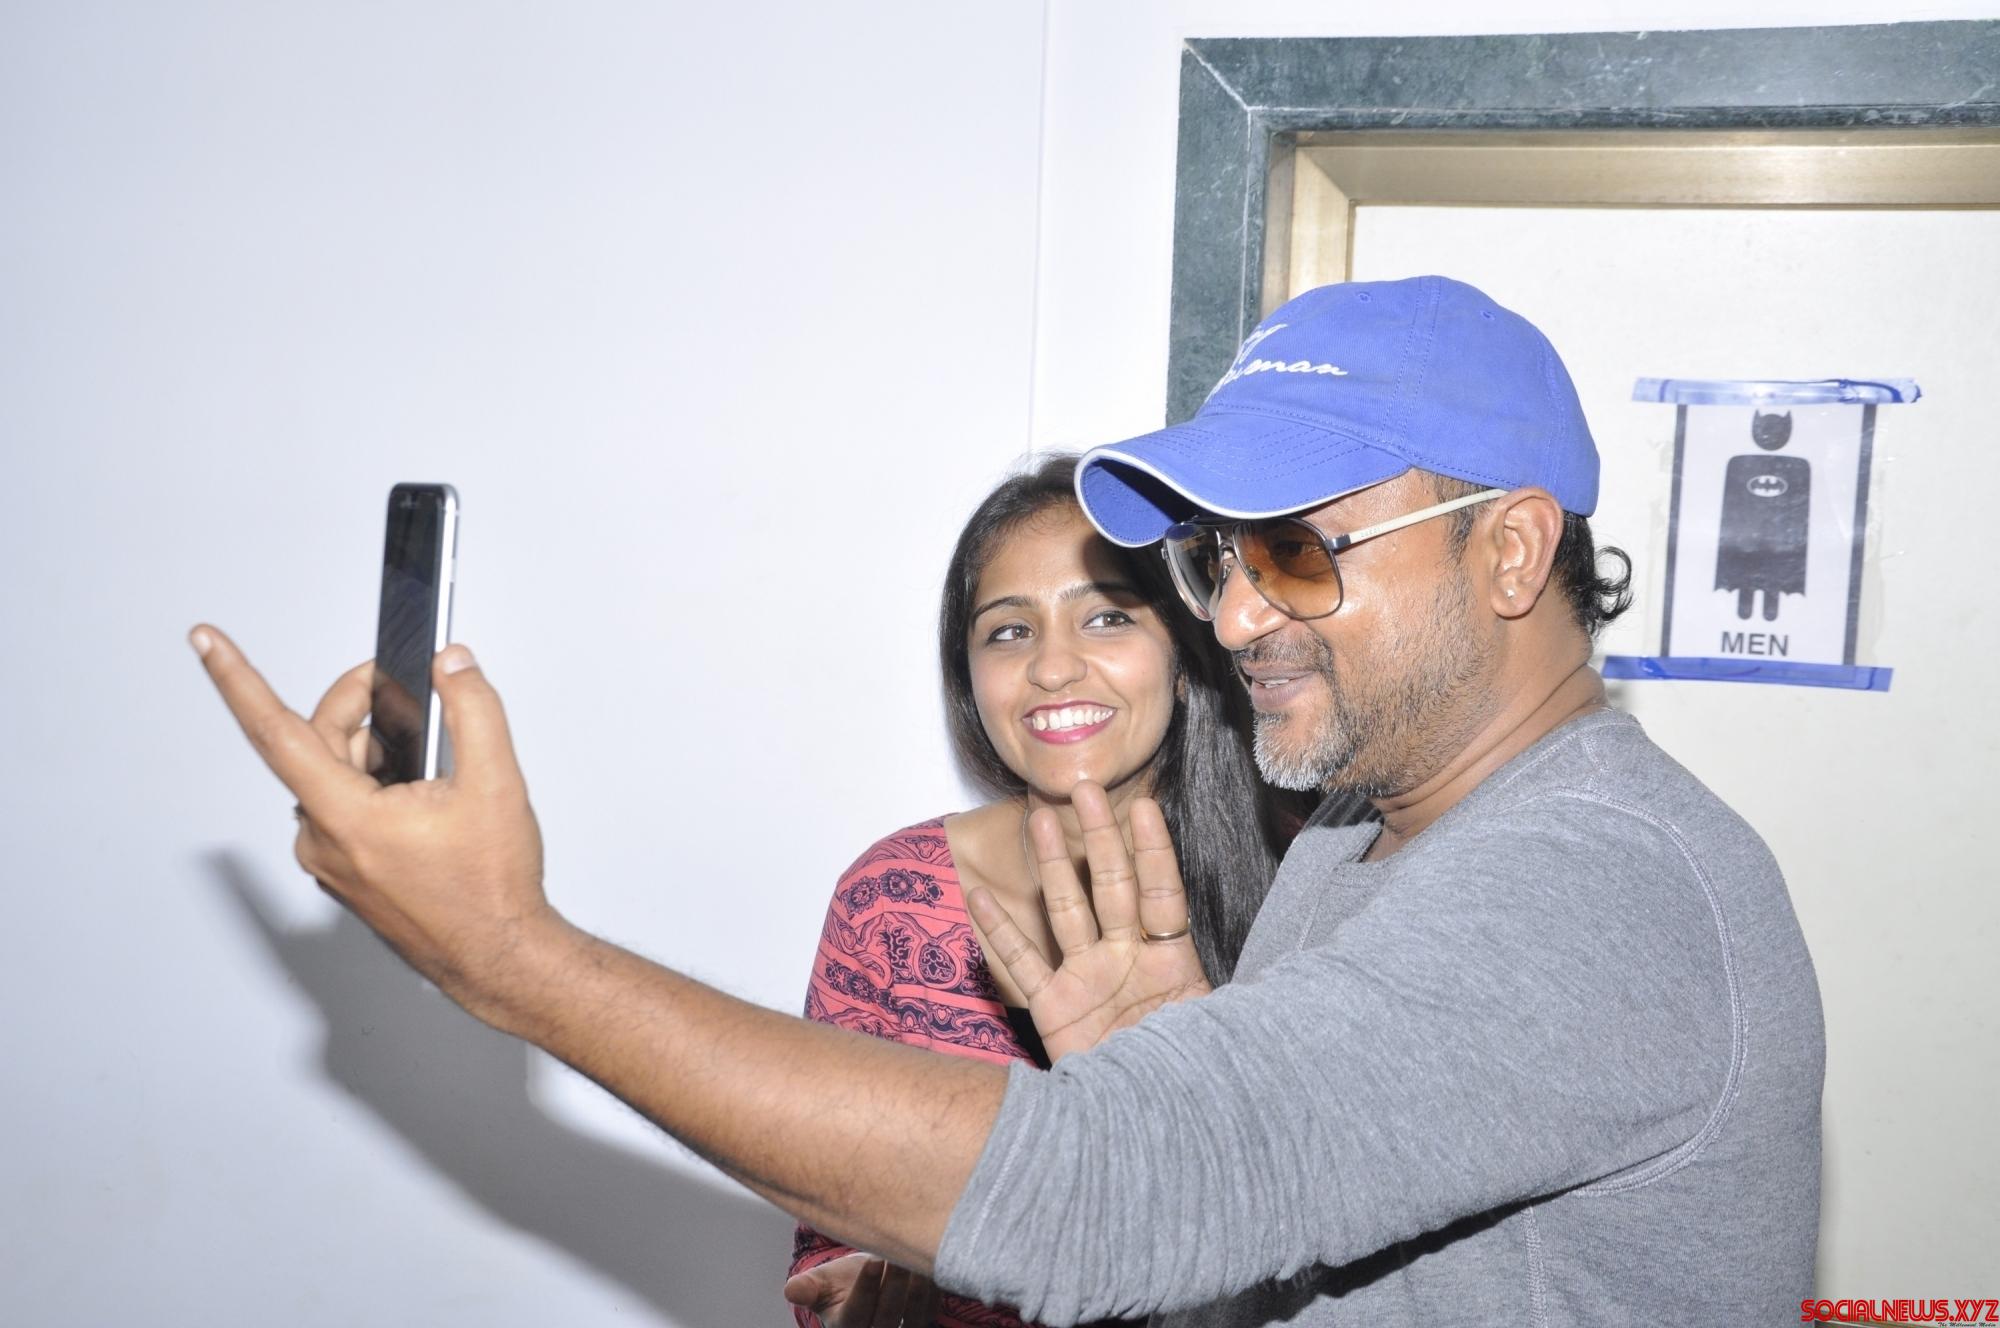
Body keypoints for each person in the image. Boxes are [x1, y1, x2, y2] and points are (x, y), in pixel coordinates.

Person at [192, 274, 1823, 1326]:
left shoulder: (1603, 882)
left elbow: (1096, 1196)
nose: (1234, 614)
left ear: (1513, 549)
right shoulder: (1358, 834)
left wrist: (515, 958)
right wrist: (1182, 1085)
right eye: (1220, 558)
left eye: (1296, 550)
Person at [783, 457, 1302, 1328]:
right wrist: (856, 1293)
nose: (1053, 668)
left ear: (1183, 653)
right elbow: (823, 1234)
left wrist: (1181, 1108)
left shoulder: (1303, 882)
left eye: (1107, 617)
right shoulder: (888, 903)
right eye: (1009, 631)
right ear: (968, 679)